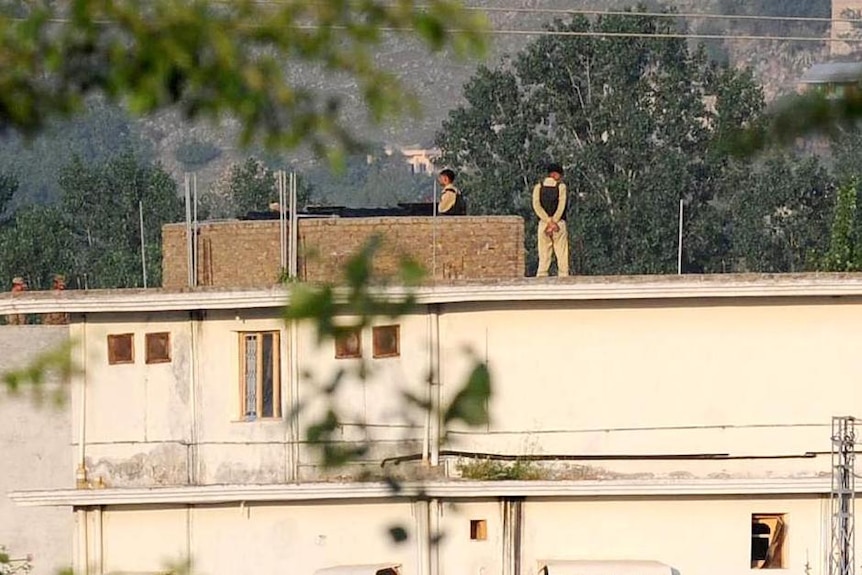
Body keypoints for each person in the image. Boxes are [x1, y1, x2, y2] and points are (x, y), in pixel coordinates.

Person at [532, 163, 569, 277]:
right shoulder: (561, 187)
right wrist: (554, 222)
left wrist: (547, 221)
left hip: (544, 224)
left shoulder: (538, 187)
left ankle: (542, 274)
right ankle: (563, 274)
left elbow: (536, 205)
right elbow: (561, 206)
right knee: (561, 251)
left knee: (544, 252)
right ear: (555, 174)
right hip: (559, 224)